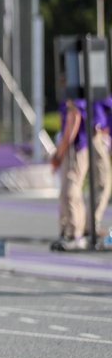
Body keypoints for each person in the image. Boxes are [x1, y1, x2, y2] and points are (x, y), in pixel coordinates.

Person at [50, 98, 110, 251]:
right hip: (81, 142)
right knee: (73, 187)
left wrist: (59, 152)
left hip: (82, 142)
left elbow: (74, 118)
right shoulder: (77, 91)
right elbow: (74, 117)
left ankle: (77, 230)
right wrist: (60, 152)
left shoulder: (82, 91)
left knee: (73, 187)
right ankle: (76, 230)